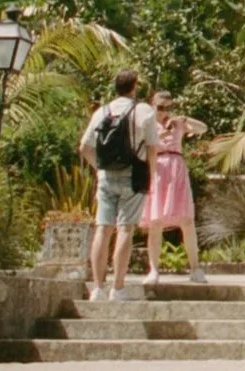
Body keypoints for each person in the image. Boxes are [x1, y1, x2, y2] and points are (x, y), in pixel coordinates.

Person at [79, 70, 159, 302]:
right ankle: (118, 287)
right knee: (125, 229)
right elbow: (152, 147)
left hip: (106, 176)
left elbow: (84, 147)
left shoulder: (102, 112)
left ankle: (97, 289)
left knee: (103, 229)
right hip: (134, 175)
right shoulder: (143, 110)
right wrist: (151, 176)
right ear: (134, 87)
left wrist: (99, 169)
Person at [141, 90, 208, 286]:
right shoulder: (148, 124)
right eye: (160, 108)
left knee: (187, 220)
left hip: (176, 167)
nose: (164, 112)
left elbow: (202, 128)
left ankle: (195, 268)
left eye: (168, 108)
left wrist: (183, 119)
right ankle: (153, 269)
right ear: (153, 105)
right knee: (155, 222)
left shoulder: (177, 123)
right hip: (158, 168)